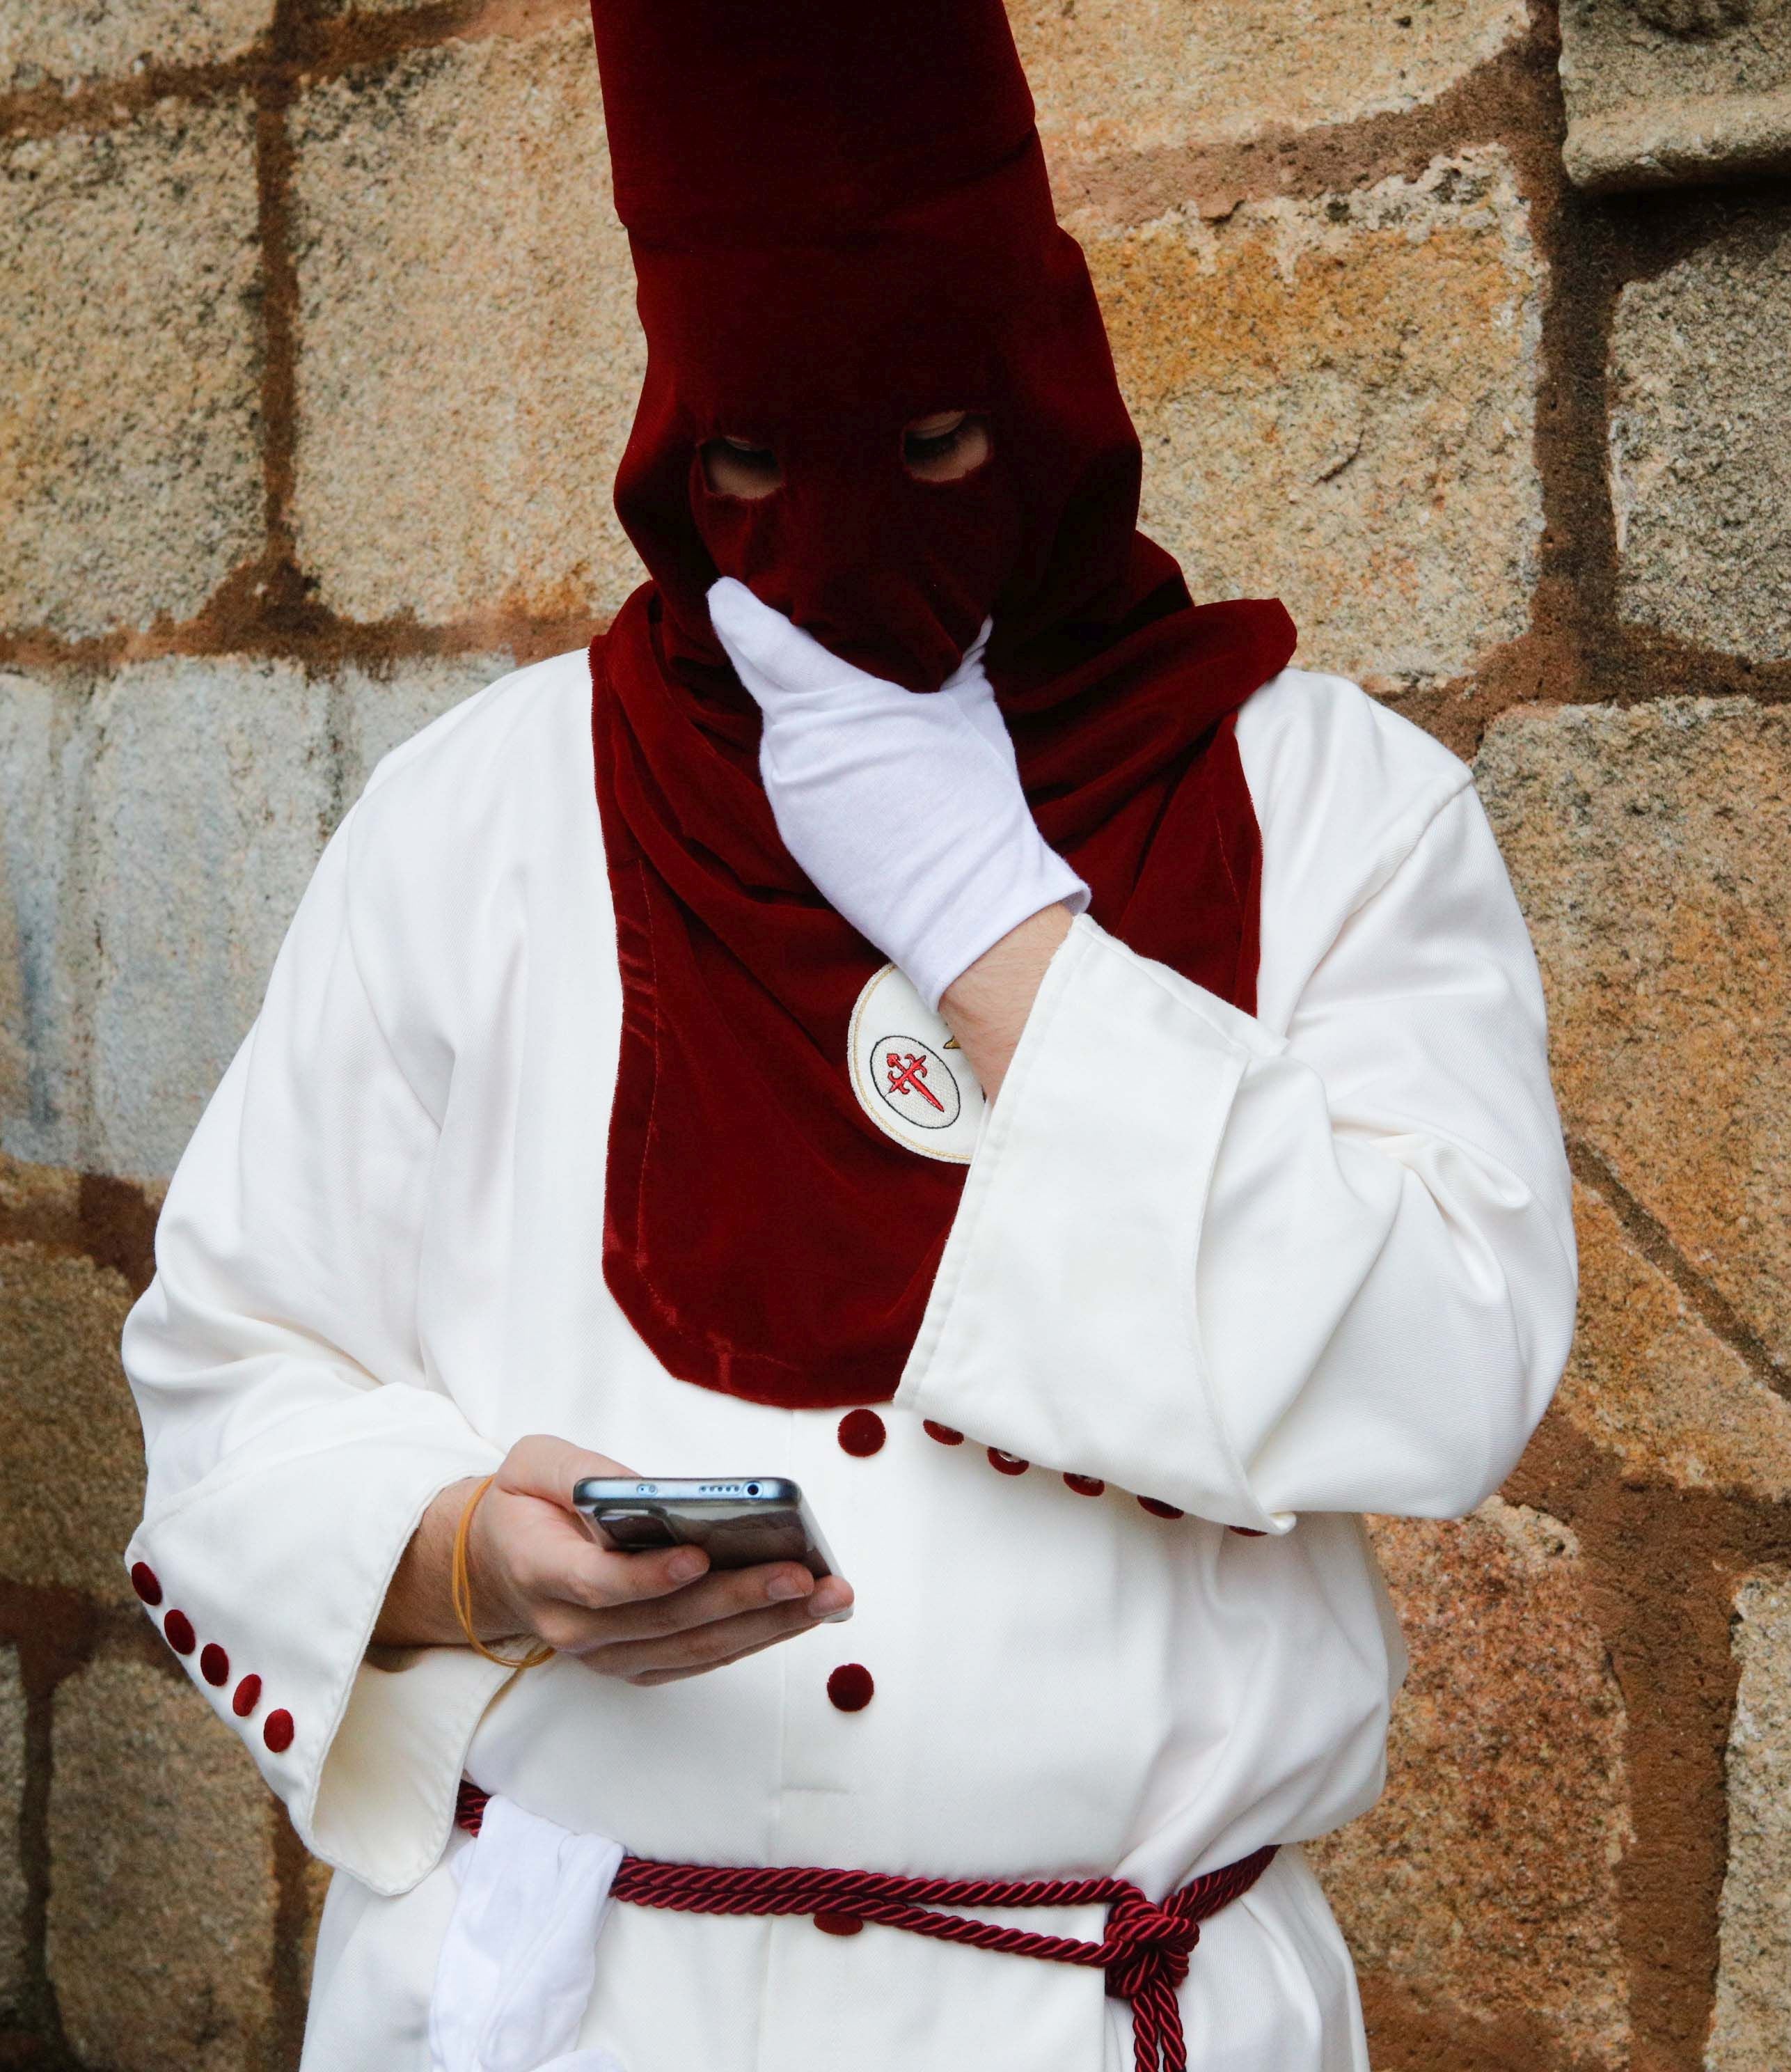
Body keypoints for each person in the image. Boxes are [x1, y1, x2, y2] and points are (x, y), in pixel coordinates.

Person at [118, 1, 1577, 2067]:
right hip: (580, 2006)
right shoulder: (482, 814)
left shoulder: (1332, 806)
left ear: (1043, 398)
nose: (829, 546)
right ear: (673, 448)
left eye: (930, 453)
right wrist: (465, 1560)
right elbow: (234, 1371)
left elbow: (1445, 1367)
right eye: (747, 464)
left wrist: (994, 922)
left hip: (1096, 2016)